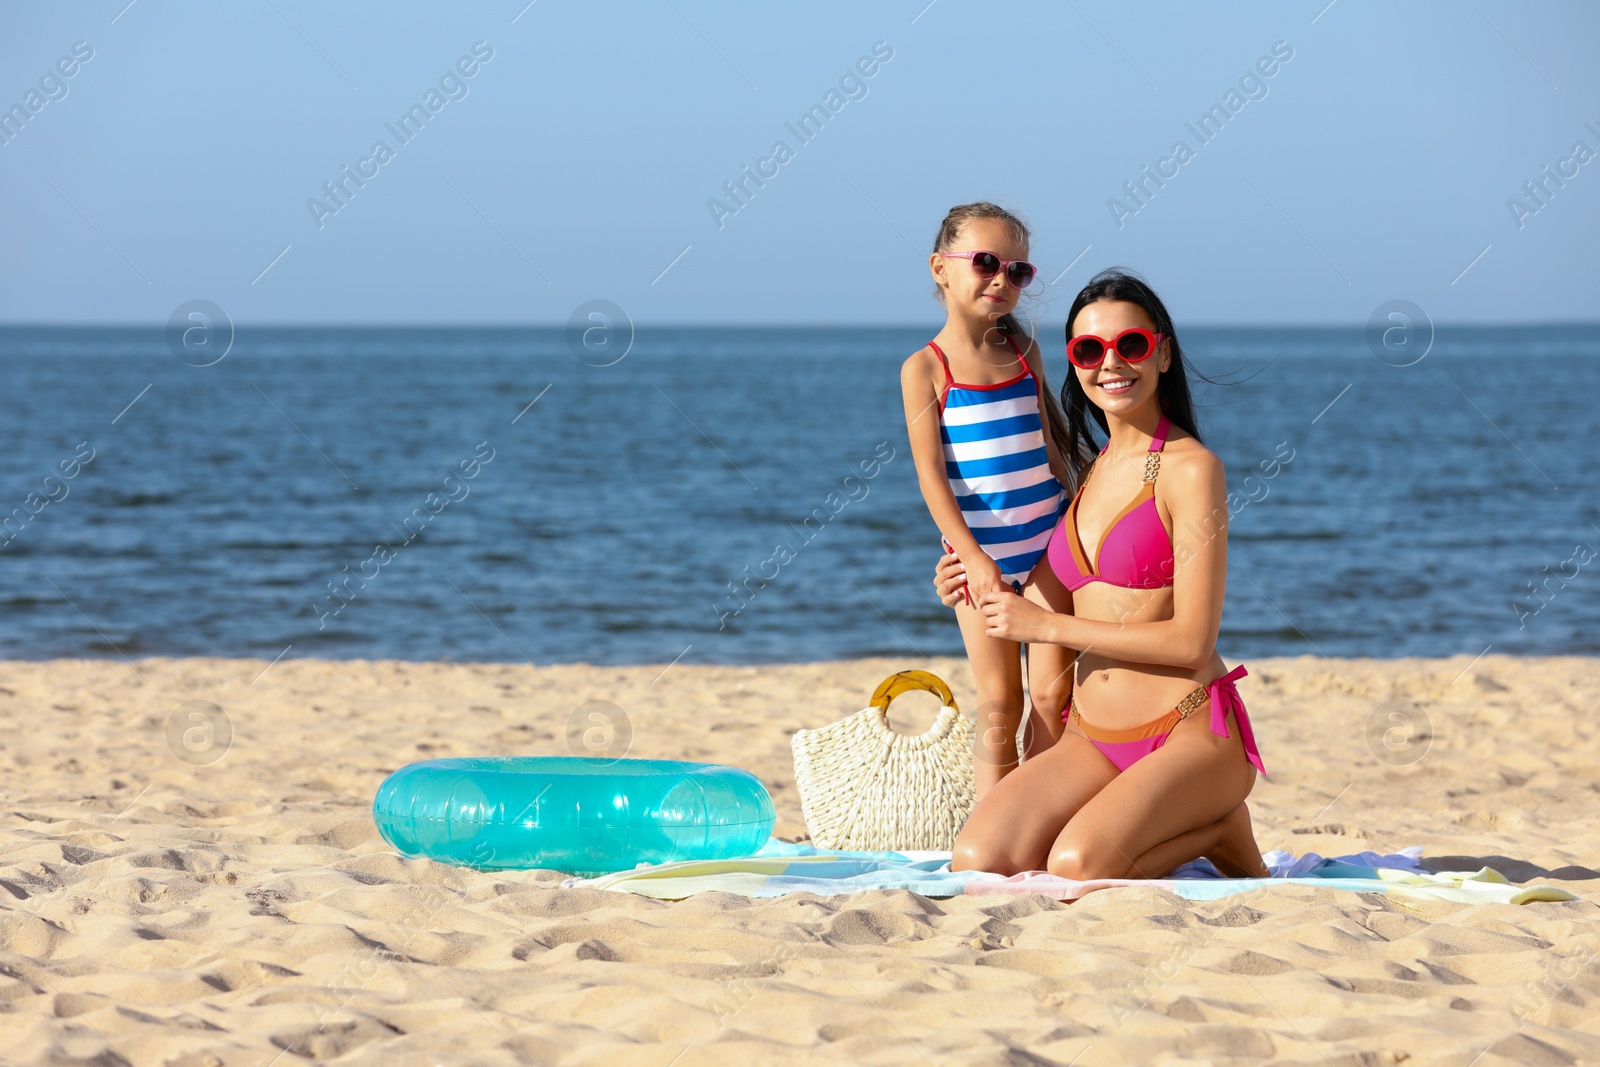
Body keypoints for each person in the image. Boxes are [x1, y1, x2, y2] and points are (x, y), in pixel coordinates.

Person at [935, 269, 1270, 879]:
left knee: (1073, 867)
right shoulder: (1085, 477)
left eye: (1131, 345)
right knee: (979, 861)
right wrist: (967, 581)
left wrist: (1048, 626)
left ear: (1163, 353)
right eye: (1089, 349)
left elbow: (1191, 640)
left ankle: (1219, 824)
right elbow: (1027, 600)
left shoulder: (1191, 469)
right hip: (1090, 738)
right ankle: (1177, 823)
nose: (1110, 364)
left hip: (1186, 734)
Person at [899, 202, 1081, 800]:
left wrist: (1082, 517)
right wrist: (974, 561)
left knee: (1055, 695)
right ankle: (993, 822)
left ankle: (1041, 811)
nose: (1002, 280)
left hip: (1050, 545)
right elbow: (932, 478)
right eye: (985, 263)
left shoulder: (1025, 353)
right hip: (983, 559)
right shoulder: (926, 367)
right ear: (940, 269)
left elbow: (1051, 448)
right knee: (1001, 701)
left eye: (1019, 271)